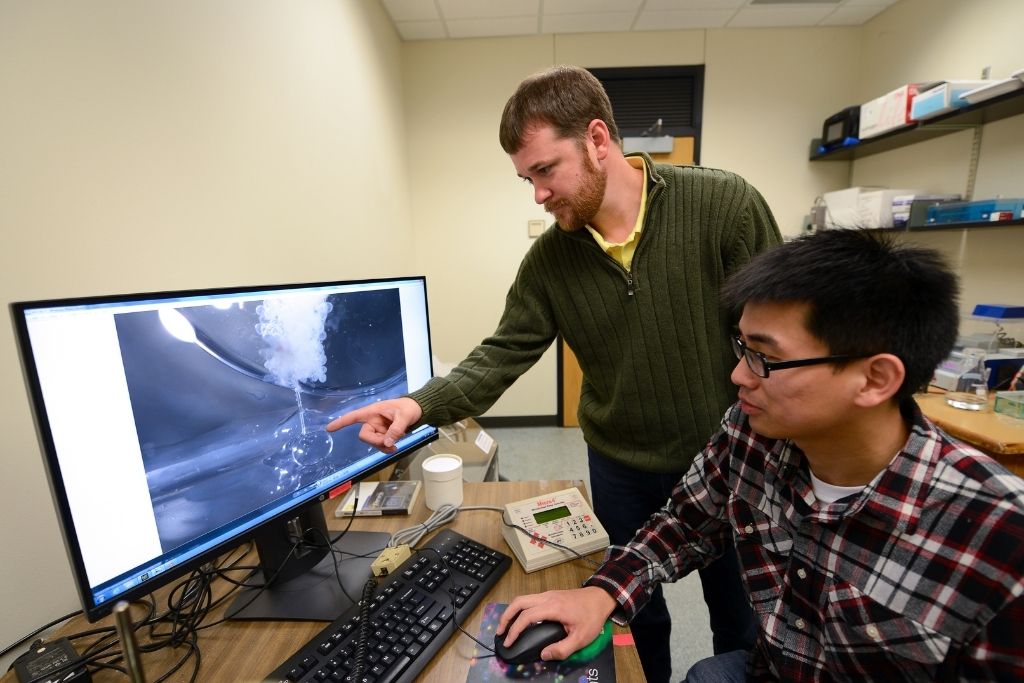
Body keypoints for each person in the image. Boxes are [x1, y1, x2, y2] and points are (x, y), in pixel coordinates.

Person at [328, 64, 781, 682]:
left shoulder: (723, 205)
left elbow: (780, 334)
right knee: (631, 615)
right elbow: (502, 352)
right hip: (622, 465)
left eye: (545, 170)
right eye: (526, 178)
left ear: (598, 139)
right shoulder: (550, 260)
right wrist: (418, 405)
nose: (537, 194)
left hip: (734, 457)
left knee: (741, 615)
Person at [495, 229, 1024, 682]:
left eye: (766, 358)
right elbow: (683, 524)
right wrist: (603, 593)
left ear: (875, 378)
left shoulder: (999, 548)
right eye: (742, 348)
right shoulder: (750, 435)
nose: (739, 376)